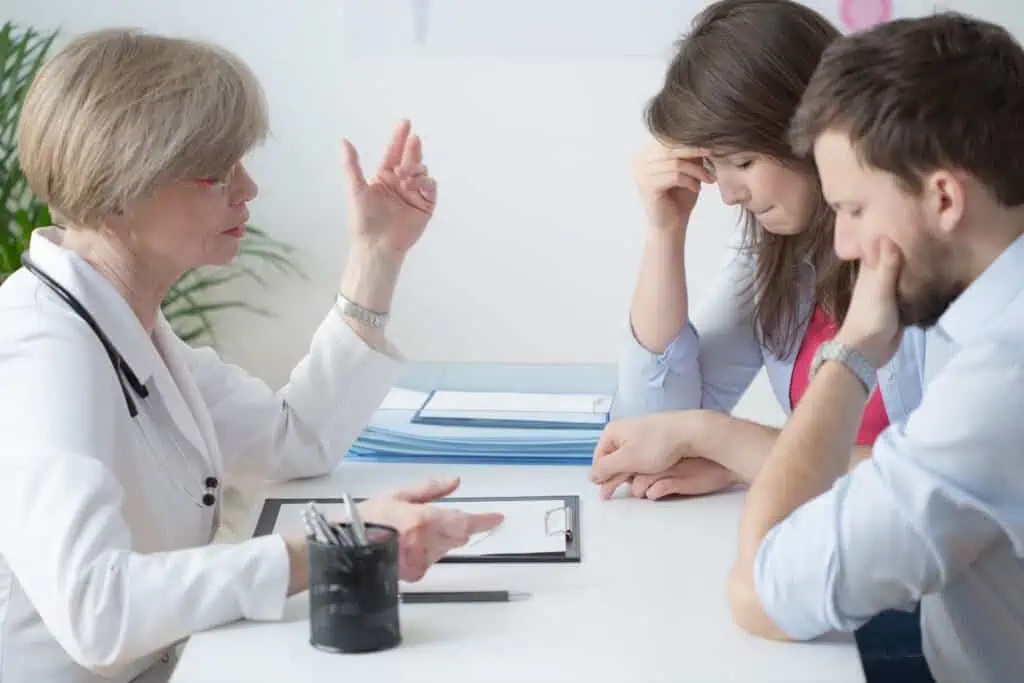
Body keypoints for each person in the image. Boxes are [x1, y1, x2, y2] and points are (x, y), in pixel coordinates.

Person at [0, 28, 502, 683]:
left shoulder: (122, 320)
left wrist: (377, 255)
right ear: (120, 185)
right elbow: (98, 611)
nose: (248, 189)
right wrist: (323, 549)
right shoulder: (40, 349)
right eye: (217, 171)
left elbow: (297, 437)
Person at [721, 11, 1024, 683]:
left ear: (944, 197)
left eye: (854, 210)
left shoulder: (1002, 375)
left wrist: (853, 351)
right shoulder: (979, 318)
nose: (842, 246)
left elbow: (767, 584)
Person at [606, 0, 930, 502]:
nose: (730, 193)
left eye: (745, 160)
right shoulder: (773, 248)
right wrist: (664, 234)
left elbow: (940, 484)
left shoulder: (932, 255)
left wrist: (737, 447)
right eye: (716, 165)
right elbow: (652, 432)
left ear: (810, 130)